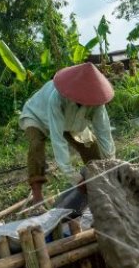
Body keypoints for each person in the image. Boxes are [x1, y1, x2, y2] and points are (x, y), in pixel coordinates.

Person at [19, 62, 116, 203]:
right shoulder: (57, 99)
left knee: (90, 145)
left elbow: (104, 133)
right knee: (36, 145)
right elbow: (58, 140)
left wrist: (112, 164)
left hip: (69, 123)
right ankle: (37, 197)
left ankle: (99, 180)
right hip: (37, 115)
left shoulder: (97, 103)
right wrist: (74, 178)